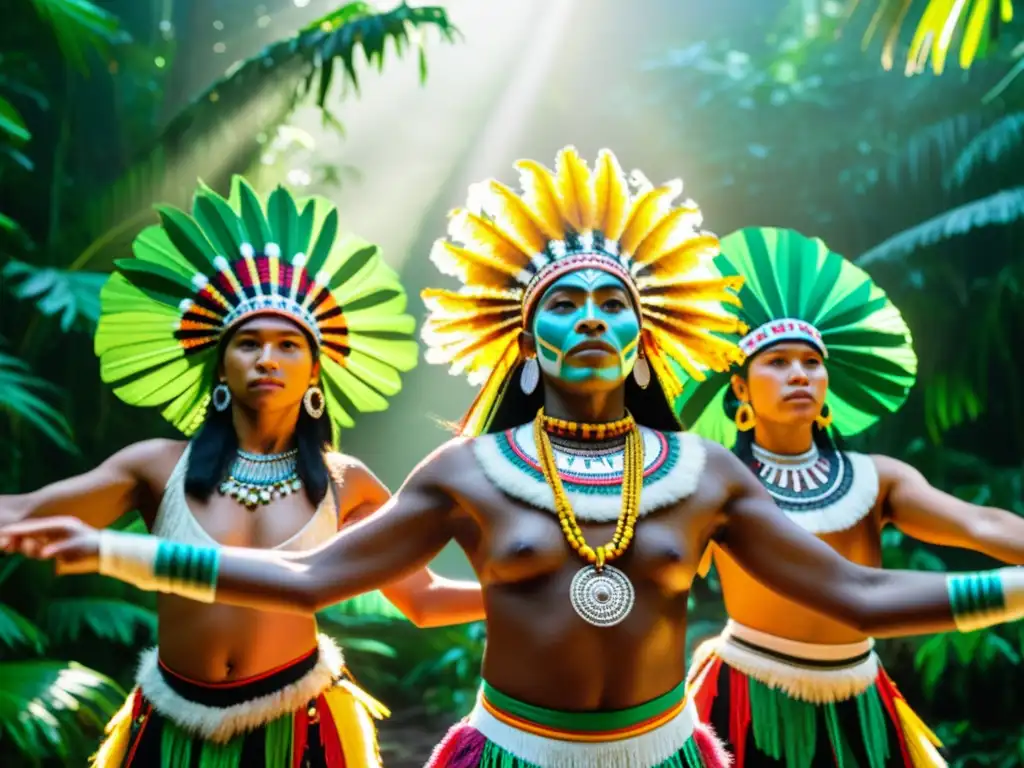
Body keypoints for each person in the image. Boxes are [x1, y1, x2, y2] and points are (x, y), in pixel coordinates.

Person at [3, 148, 1024, 768]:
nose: (589, 317)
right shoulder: (465, 475)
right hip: (507, 753)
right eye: (561, 304)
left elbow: (864, 599)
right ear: (525, 344)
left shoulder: (707, 474)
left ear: (646, 333)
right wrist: (125, 557)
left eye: (613, 301)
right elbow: (312, 578)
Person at [0, 177, 484, 768]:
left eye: (288, 346)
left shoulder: (344, 481)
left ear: (314, 373)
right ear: (221, 369)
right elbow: (25, 512)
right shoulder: (156, 466)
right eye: (248, 344)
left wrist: (524, 588)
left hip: (299, 726)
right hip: (171, 724)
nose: (266, 360)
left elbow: (424, 599)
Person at [675, 226, 1024, 768]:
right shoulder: (713, 482)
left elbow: (980, 525)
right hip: (744, 697)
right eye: (777, 362)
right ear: (739, 389)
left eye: (812, 363)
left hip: (860, 697)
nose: (799, 375)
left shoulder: (876, 478)